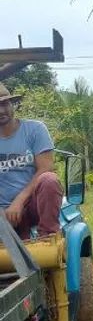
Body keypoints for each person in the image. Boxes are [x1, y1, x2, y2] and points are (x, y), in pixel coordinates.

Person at [0, 83, 63, 239]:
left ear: (12, 104)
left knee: (49, 179)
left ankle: (48, 237)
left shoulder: (34, 130)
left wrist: (19, 202)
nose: (1, 110)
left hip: (33, 205)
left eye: (4, 103)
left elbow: (46, 167)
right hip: (3, 213)